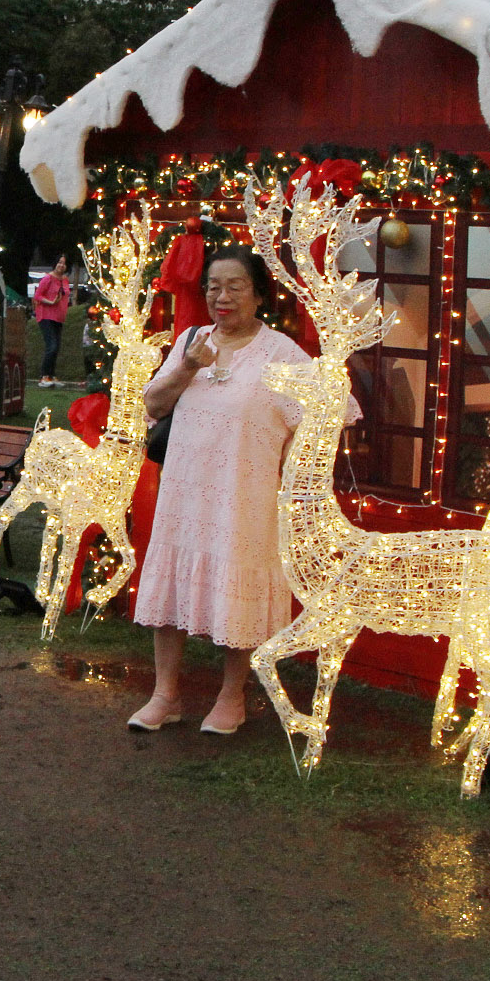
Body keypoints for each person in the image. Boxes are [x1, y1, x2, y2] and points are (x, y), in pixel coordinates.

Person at [130, 247, 317, 736]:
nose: (222, 297)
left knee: (239, 593)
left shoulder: (281, 353)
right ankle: (165, 695)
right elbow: (153, 403)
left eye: (235, 286)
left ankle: (231, 697)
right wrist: (188, 366)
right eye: (213, 287)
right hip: (184, 491)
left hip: (244, 495)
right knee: (170, 588)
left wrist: (291, 465)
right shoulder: (191, 340)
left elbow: (325, 414)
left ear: (258, 295)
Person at [31, 255, 70, 387]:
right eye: (59, 262)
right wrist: (50, 302)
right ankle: (44, 376)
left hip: (59, 317)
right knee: (51, 346)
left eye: (64, 263)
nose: (61, 265)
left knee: (56, 347)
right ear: (55, 264)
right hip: (46, 315)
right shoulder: (48, 278)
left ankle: (52, 375)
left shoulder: (65, 280)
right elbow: (38, 295)